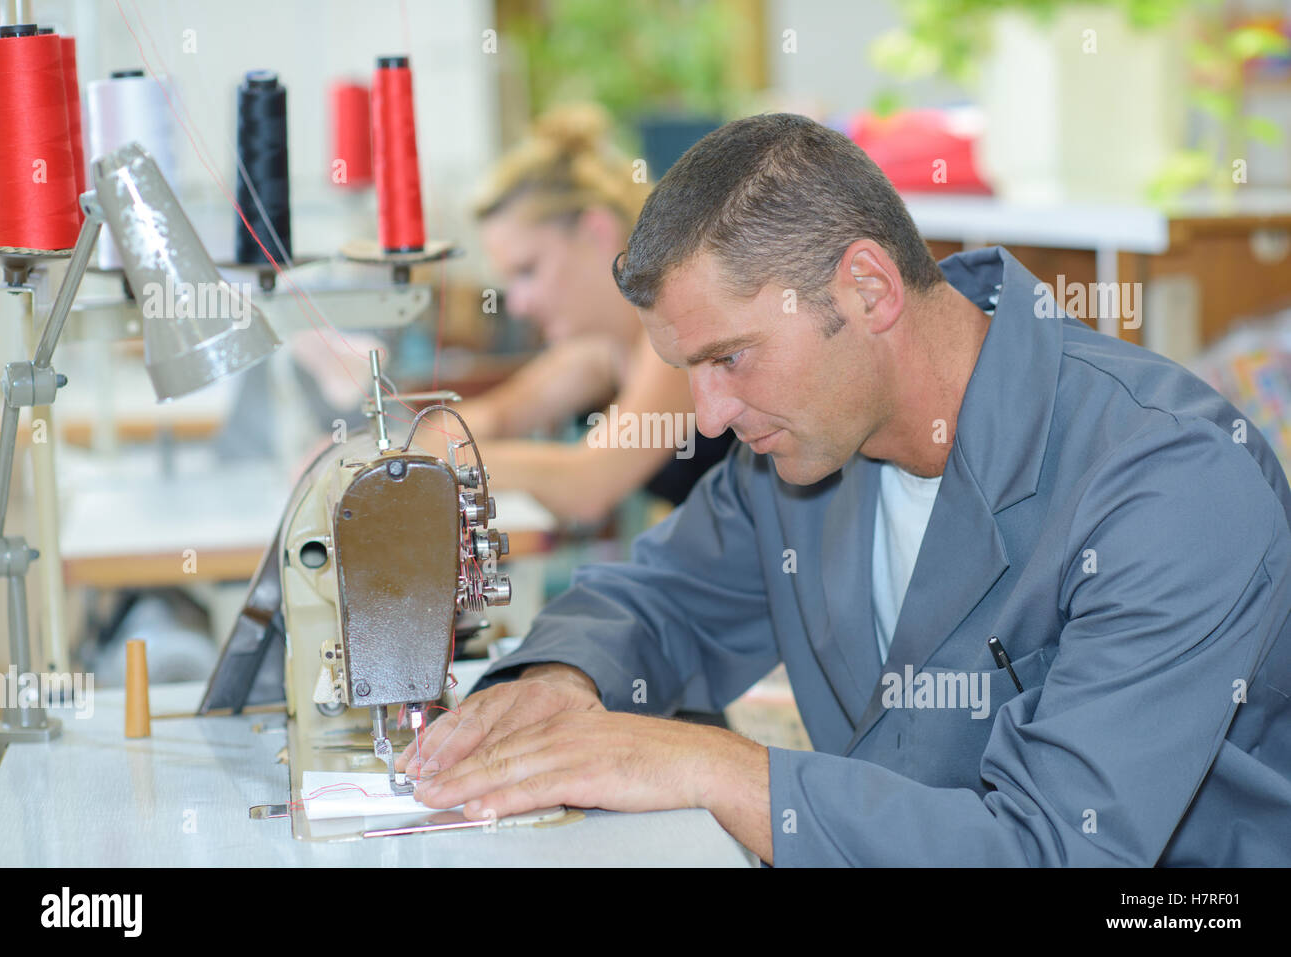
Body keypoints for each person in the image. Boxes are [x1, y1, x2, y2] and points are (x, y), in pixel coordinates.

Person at [394, 113, 1291, 866]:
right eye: (688, 370)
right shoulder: (804, 457)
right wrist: (561, 678)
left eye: (729, 358)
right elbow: (662, 601)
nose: (706, 418)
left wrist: (708, 767)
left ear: (867, 287)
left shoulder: (1172, 481)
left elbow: (1051, 848)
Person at [437, 104, 732, 523]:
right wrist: (392, 452)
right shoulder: (603, 348)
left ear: (595, 231)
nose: (518, 303)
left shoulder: (677, 326)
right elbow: (494, 417)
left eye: (528, 270)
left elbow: (587, 482)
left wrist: (433, 467)